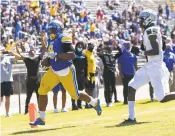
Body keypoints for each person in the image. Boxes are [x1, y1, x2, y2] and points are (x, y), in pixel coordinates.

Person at [30, 20, 102, 126]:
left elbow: (72, 55)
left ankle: (94, 102)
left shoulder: (63, 38)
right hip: (54, 70)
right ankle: (42, 118)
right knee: (42, 90)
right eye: (49, 29)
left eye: (53, 29)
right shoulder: (50, 39)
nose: (50, 31)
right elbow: (51, 55)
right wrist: (48, 60)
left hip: (66, 70)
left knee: (75, 95)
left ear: (58, 29)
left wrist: (56, 55)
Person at [121, 9, 175, 124]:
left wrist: (140, 53)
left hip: (156, 66)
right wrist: (140, 50)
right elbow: (160, 48)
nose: (139, 21)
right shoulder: (150, 30)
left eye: (141, 19)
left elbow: (155, 50)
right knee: (131, 86)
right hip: (150, 65)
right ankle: (131, 118)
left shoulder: (151, 30)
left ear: (147, 19)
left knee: (162, 98)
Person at [15, 40, 46, 114]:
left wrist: (42, 39)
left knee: (39, 96)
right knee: (28, 96)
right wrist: (17, 46)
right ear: (29, 53)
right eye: (30, 51)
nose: (32, 52)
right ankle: (26, 111)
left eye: (33, 51)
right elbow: (19, 54)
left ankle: (40, 110)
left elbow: (44, 49)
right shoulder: (27, 60)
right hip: (30, 80)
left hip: (37, 80)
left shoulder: (37, 59)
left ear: (35, 53)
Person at [0, 47, 23, 117]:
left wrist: (12, 52)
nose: (2, 52)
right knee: (0, 98)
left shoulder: (8, 58)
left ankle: (7, 113)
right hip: (0, 81)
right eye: (1, 51)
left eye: (4, 51)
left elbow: (20, 58)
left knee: (7, 97)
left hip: (8, 81)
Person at [72, 41, 87, 110]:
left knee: (80, 90)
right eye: (78, 46)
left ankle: (79, 104)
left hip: (82, 74)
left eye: (81, 47)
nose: (80, 48)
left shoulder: (84, 55)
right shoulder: (74, 55)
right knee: (74, 90)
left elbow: (86, 66)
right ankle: (73, 105)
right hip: (75, 74)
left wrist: (86, 76)